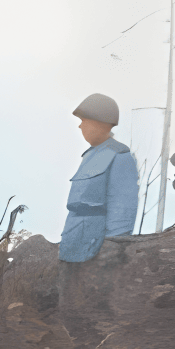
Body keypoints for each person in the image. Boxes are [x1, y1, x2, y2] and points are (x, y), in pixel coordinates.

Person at [59, 94, 139, 263]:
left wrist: (114, 245)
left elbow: (123, 207)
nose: (80, 126)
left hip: (99, 251)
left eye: (84, 121)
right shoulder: (88, 157)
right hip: (72, 246)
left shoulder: (119, 155)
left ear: (98, 122)